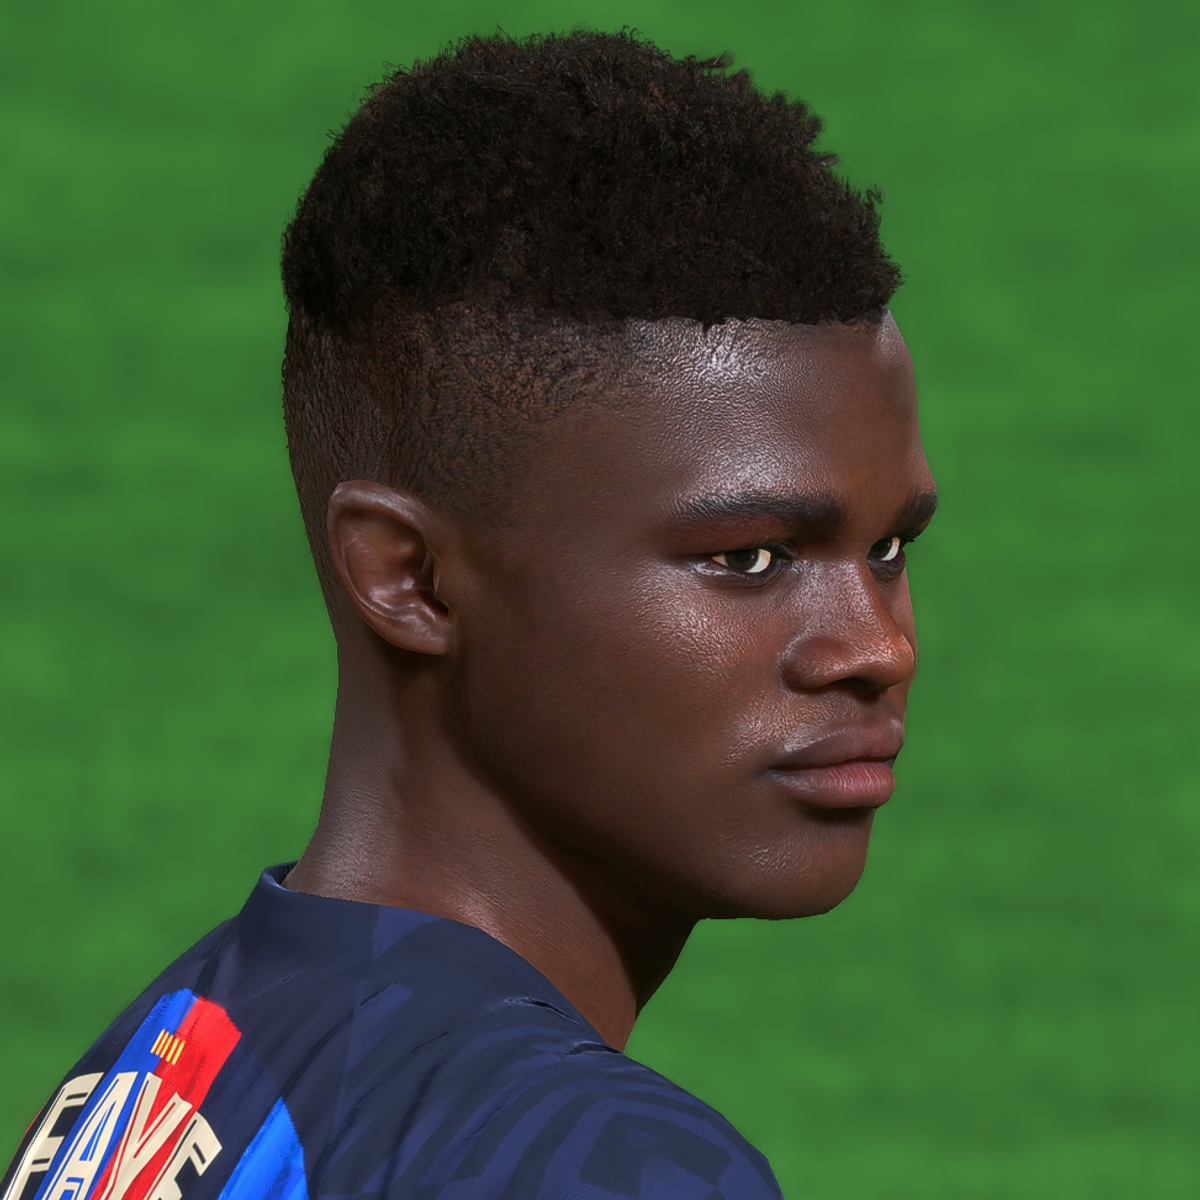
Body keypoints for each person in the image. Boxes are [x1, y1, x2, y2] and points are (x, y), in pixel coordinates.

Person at [2, 29, 937, 1200]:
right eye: (750, 557)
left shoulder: (157, 1076)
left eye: (889, 548)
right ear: (412, 579)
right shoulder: (599, 1165)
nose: (877, 647)